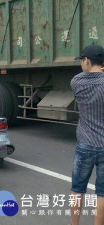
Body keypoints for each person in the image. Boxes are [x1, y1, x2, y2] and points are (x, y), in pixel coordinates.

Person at [70, 44, 104, 225]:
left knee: (77, 189)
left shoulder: (76, 82)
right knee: (103, 193)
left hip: (85, 143)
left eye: (82, 60)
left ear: (87, 61)